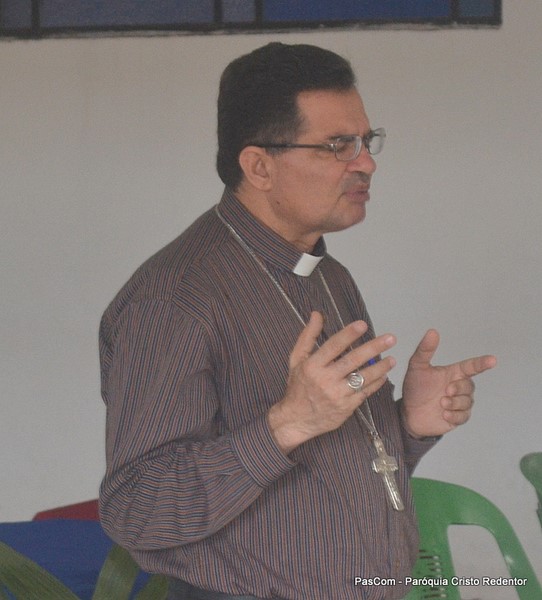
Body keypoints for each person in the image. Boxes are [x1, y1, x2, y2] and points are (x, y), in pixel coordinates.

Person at [98, 42, 496, 600]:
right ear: (259, 166)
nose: (366, 163)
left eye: (366, 141)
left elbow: (331, 473)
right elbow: (137, 509)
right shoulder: (175, 297)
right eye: (338, 146)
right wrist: (285, 425)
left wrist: (409, 424)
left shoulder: (328, 275)